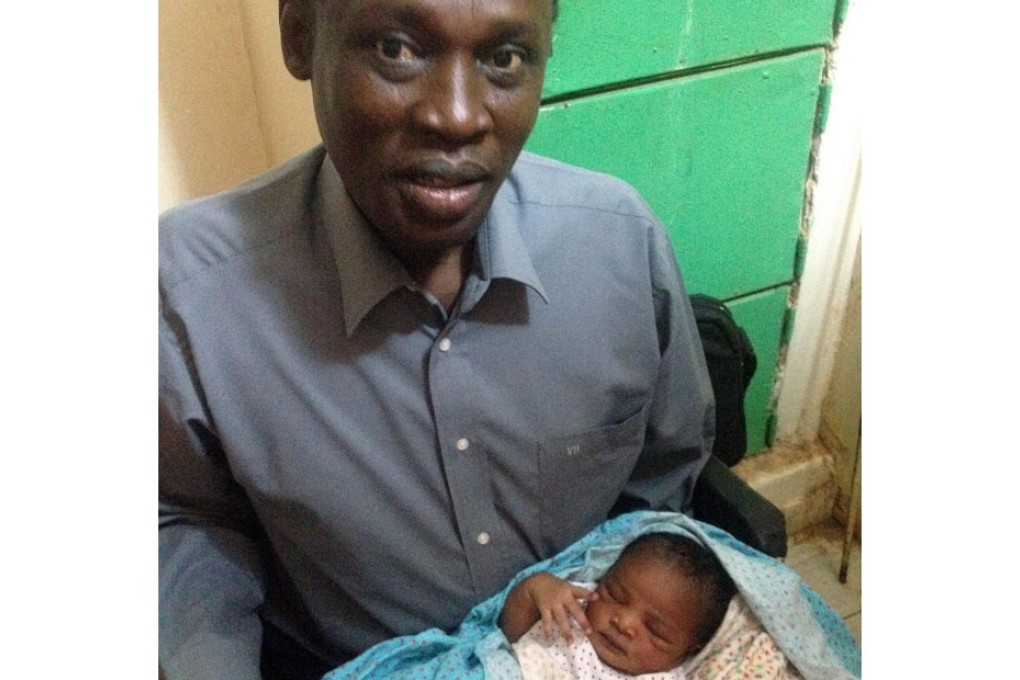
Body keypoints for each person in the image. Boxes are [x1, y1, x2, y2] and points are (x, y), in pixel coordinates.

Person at [158, 0, 715, 679]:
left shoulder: (621, 248)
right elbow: (188, 521)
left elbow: (663, 484)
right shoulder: (191, 297)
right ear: (300, 35)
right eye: (397, 48)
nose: (456, 115)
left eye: (504, 57)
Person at [499, 533, 736, 678]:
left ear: (690, 649)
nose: (624, 624)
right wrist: (536, 588)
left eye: (655, 630)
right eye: (615, 596)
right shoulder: (572, 608)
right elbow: (508, 632)